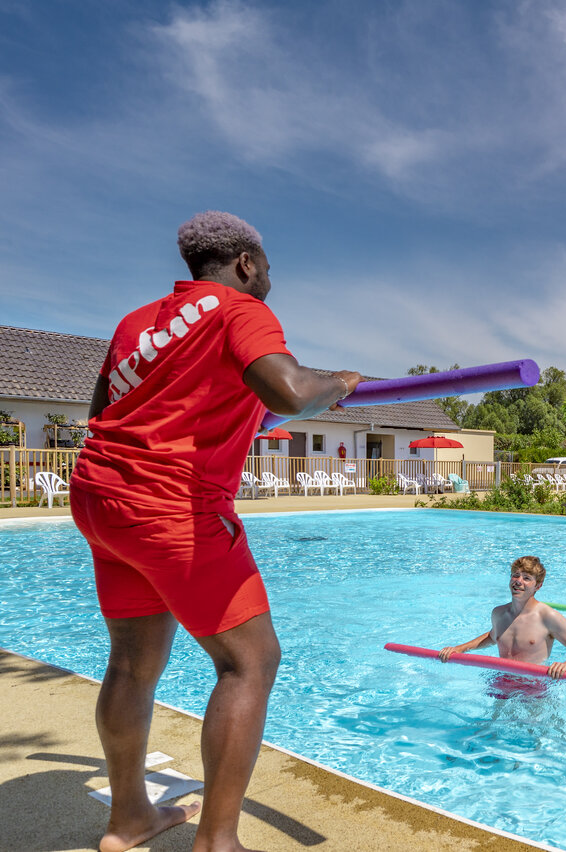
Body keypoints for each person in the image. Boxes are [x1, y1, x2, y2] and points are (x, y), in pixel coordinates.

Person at [70, 211, 362, 852]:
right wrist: (338, 383)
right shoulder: (238, 309)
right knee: (250, 662)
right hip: (171, 507)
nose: (268, 282)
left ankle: (128, 820)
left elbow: (109, 413)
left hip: (101, 496)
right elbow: (289, 392)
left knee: (131, 663)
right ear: (246, 263)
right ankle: (218, 842)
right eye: (268, 271)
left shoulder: (135, 324)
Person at [439, 556, 566, 678]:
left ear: (538, 586)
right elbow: (492, 637)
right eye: (515, 575)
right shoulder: (498, 613)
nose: (518, 581)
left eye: (527, 578)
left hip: (533, 685)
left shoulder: (547, 616)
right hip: (502, 680)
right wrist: (460, 649)